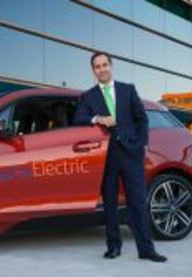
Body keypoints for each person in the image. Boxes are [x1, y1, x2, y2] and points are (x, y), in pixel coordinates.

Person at [72, 51, 167, 262]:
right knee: (110, 204)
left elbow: (142, 119)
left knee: (137, 202)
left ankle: (146, 250)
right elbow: (78, 118)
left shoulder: (128, 89)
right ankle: (113, 246)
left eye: (105, 64)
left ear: (111, 66)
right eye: (97, 66)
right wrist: (98, 118)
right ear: (93, 71)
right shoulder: (88, 96)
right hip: (106, 156)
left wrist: (140, 145)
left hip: (131, 153)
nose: (102, 69)